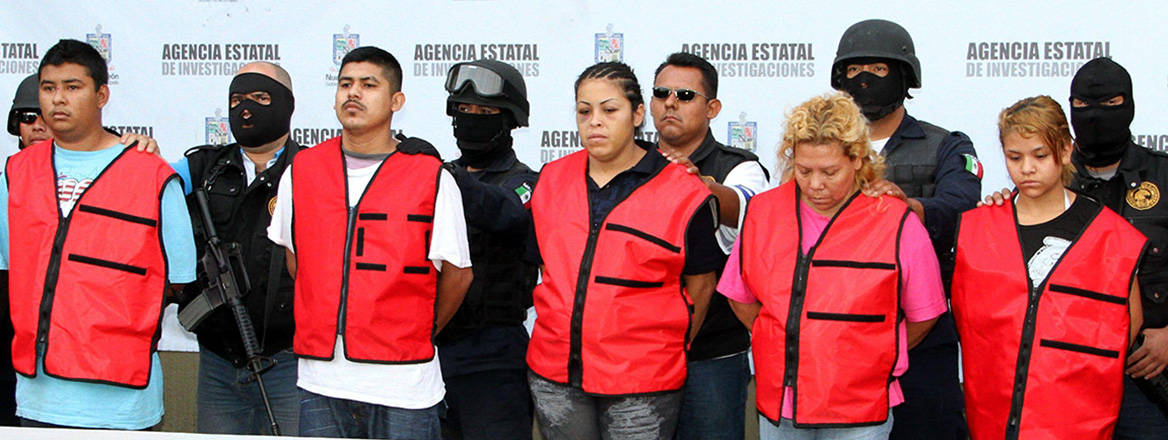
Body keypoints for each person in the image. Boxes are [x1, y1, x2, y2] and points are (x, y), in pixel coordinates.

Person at [266, 46, 473, 439]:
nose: (353, 93)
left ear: (396, 101)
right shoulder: (302, 171)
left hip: (404, 384)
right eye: (345, 84)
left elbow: (458, 276)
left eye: (368, 84)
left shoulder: (431, 177)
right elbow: (296, 262)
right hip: (321, 380)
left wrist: (417, 331)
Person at [719, 91, 945, 439]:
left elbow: (925, 313)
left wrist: (872, 353)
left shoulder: (896, 221)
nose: (815, 184)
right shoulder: (764, 213)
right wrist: (784, 335)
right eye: (804, 170)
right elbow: (740, 295)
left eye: (829, 171)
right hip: (781, 404)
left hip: (861, 410)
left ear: (857, 159)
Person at [0, 39, 196, 429]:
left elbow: (180, 281)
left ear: (102, 94)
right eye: (49, 87)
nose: (58, 100)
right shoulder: (15, 174)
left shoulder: (153, 175)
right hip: (37, 399)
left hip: (122, 404)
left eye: (73, 87)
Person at [525, 61, 719, 439]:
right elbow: (544, 268)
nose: (595, 121)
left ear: (638, 114)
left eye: (609, 110)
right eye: (584, 111)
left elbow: (701, 285)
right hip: (555, 375)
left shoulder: (684, 193)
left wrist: (662, 350)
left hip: (643, 383)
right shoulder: (550, 180)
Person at [979, 58, 1168, 439]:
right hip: (1069, 369)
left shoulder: (1163, 174)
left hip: (1148, 366)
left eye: (1111, 105)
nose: (1096, 116)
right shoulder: (1046, 182)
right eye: (1082, 107)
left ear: (1130, 104)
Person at [831, 19, 979, 439]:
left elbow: (963, 205)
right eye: (855, 70)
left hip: (923, 330)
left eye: (879, 70)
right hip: (842, 331)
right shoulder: (821, 149)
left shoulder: (947, 144)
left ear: (905, 76)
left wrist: (908, 207)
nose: (864, 80)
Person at [168, 61, 302, 435]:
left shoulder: (312, 169)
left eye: (260, 97)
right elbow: (144, 182)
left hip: (290, 359)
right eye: (237, 99)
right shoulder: (202, 168)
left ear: (288, 105)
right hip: (218, 363)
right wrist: (128, 148)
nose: (246, 108)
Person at [650, 52, 769, 440]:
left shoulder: (741, 165)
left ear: (712, 108)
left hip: (712, 356)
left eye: (685, 95)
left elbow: (747, 210)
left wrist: (696, 184)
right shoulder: (625, 163)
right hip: (636, 354)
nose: (670, 102)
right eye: (661, 92)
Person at [435, 59, 537, 440]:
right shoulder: (438, 175)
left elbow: (505, 212)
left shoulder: (526, 182)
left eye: (485, 112)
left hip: (493, 363)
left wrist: (444, 177)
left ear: (508, 119)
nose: (472, 118)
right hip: (429, 359)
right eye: (464, 111)